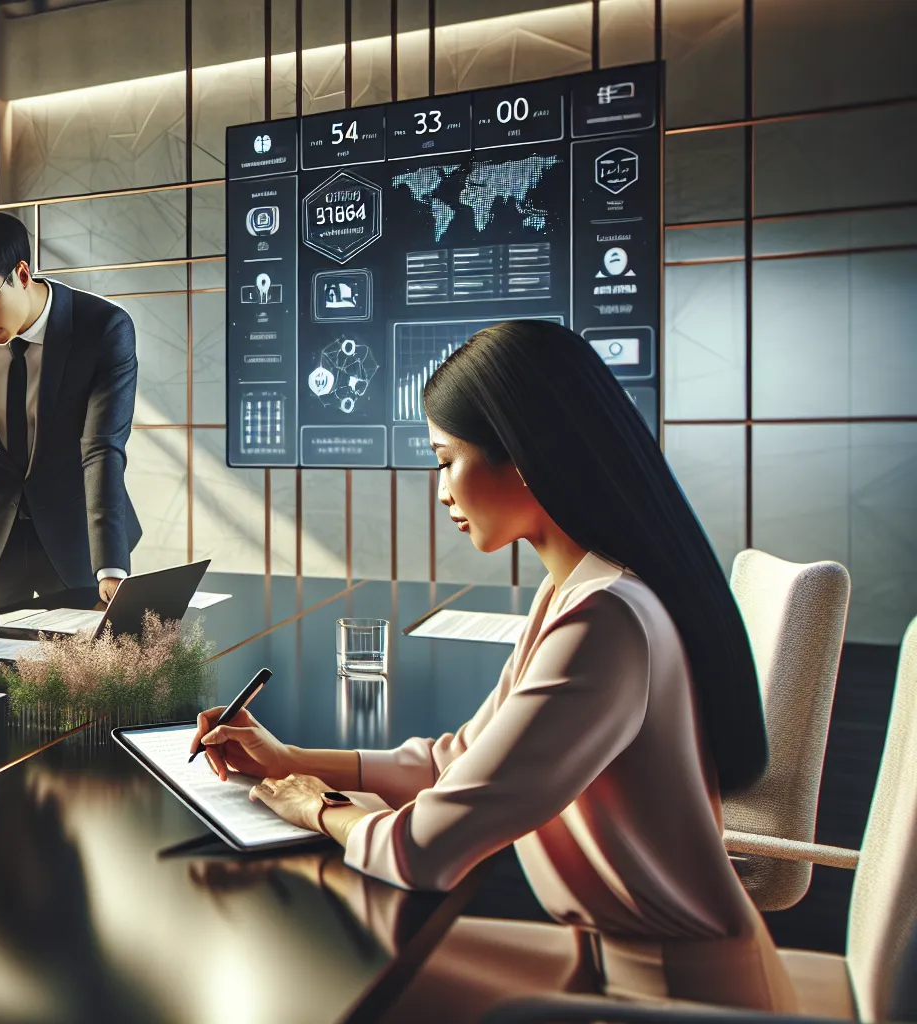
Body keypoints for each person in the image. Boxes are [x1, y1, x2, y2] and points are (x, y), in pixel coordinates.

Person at [194, 320, 776, 951]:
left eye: (446, 460)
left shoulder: (602, 621)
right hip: (622, 954)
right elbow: (458, 760)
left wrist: (317, 804)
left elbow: (420, 850)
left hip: (666, 987)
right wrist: (293, 761)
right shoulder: (580, 592)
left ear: (525, 458)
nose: (441, 491)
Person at [0, 212, 142, 612]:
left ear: (21, 274)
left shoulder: (103, 328)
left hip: (79, 545)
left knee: (81, 673)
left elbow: (101, 448)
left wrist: (110, 564)